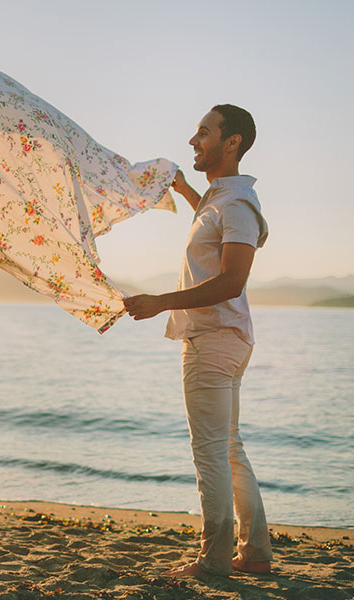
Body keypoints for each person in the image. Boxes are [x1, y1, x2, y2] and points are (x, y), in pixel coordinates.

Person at [123, 105, 273, 577]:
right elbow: (211, 233)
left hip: (213, 339)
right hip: (222, 337)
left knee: (210, 451)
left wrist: (161, 302)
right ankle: (255, 553)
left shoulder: (237, 204)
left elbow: (231, 280)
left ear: (232, 143)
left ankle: (213, 560)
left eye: (204, 133)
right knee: (228, 446)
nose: (193, 140)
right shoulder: (219, 199)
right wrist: (188, 191)